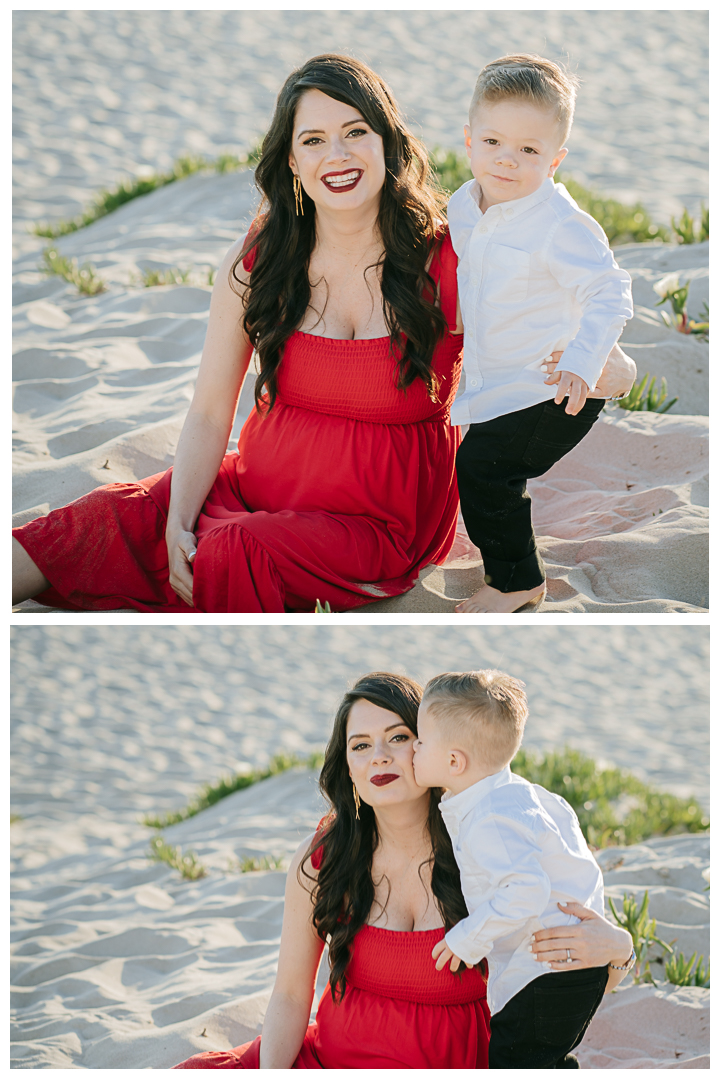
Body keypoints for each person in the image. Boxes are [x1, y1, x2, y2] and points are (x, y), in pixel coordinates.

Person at [12, 54, 636, 614]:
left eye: (355, 132)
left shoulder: (453, 257)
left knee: (233, 551)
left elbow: (573, 335)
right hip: (250, 488)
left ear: (387, 142)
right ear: (291, 159)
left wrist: (616, 371)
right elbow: (207, 411)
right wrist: (178, 520)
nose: (336, 155)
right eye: (313, 139)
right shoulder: (260, 258)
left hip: (381, 524)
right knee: (78, 530)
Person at [174, 672, 634, 1069]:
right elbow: (292, 997)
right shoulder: (324, 858)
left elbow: (564, 987)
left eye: (398, 737)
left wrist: (619, 949)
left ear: (436, 751)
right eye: (360, 745)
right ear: (348, 766)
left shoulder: (492, 850)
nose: (379, 756)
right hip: (332, 1059)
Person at [447, 55, 634, 614]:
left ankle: (518, 582)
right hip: (497, 382)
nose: (507, 160)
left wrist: (583, 359)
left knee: (486, 470)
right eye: (493, 142)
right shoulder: (464, 205)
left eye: (529, 150)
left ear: (555, 159)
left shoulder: (559, 224)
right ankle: (512, 569)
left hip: (555, 385)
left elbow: (610, 289)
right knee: (486, 469)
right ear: (469, 140)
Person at [412, 669, 637, 1069]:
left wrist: (467, 939)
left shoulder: (488, 819)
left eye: (421, 741)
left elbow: (527, 890)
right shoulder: (527, 798)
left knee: (513, 1062)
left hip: (544, 975)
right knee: (542, 1059)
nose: (414, 747)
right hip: (573, 969)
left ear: (453, 761)